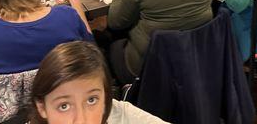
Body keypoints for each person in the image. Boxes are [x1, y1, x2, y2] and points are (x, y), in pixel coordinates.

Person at [30, 41, 167, 124]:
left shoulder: (119, 113)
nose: (82, 120)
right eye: (64, 106)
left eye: (91, 100)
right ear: (42, 108)